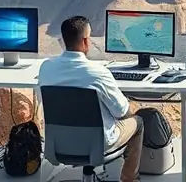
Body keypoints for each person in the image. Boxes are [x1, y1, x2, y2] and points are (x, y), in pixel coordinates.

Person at [38, 16, 143, 182]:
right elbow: (121, 111)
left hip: (58, 145)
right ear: (85, 41)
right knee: (138, 122)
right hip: (97, 146)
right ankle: (129, 178)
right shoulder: (97, 73)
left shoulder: (46, 68)